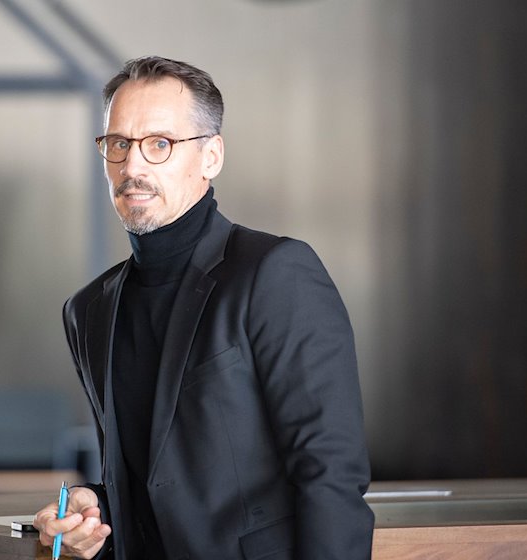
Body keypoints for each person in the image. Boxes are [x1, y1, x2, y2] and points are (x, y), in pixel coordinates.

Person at [33, 55, 374, 559]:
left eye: (160, 144)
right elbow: (152, 482)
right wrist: (94, 510)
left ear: (211, 157)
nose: (132, 166)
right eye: (118, 144)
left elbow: (329, 472)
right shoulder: (89, 311)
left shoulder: (275, 273)